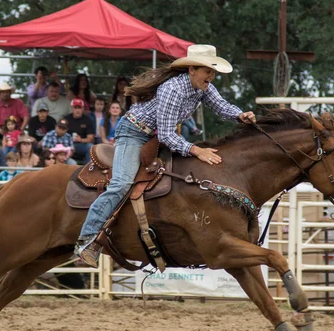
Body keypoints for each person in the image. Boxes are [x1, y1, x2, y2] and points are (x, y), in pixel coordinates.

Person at [75, 44, 256, 268]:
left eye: (213, 70)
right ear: (192, 69)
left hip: (154, 136)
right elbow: (169, 135)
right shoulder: (173, 89)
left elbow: (221, 106)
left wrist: (240, 115)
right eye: (207, 69)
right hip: (133, 132)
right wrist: (197, 150)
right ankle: (86, 240)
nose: (212, 74)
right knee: (121, 184)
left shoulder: (204, 88)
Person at [65, 99, 95, 164]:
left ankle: (86, 167)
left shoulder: (87, 120)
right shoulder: (66, 119)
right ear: (72, 108)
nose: (77, 110)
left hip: (80, 145)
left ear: (83, 108)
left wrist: (80, 140)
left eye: (79, 108)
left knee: (91, 147)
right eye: (75, 107)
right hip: (67, 144)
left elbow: (91, 138)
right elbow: (60, 133)